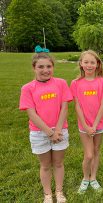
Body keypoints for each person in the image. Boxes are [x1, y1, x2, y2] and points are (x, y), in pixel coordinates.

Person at [19, 53, 72, 203]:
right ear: (34, 68)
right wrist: (49, 132)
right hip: (39, 132)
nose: (45, 70)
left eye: (49, 66)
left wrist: (57, 130)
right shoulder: (27, 88)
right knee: (45, 165)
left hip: (60, 130)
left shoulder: (61, 83)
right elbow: (31, 113)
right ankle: (48, 194)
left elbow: (64, 108)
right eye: (40, 67)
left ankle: (59, 192)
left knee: (58, 163)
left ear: (53, 67)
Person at [70, 50, 103, 193]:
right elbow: (77, 106)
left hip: (99, 124)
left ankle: (93, 178)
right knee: (88, 154)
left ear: (97, 64)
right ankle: (85, 178)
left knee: (96, 151)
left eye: (92, 62)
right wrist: (87, 126)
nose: (89, 65)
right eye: (86, 62)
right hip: (84, 126)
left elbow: (102, 105)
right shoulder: (75, 83)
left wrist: (94, 125)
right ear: (81, 64)